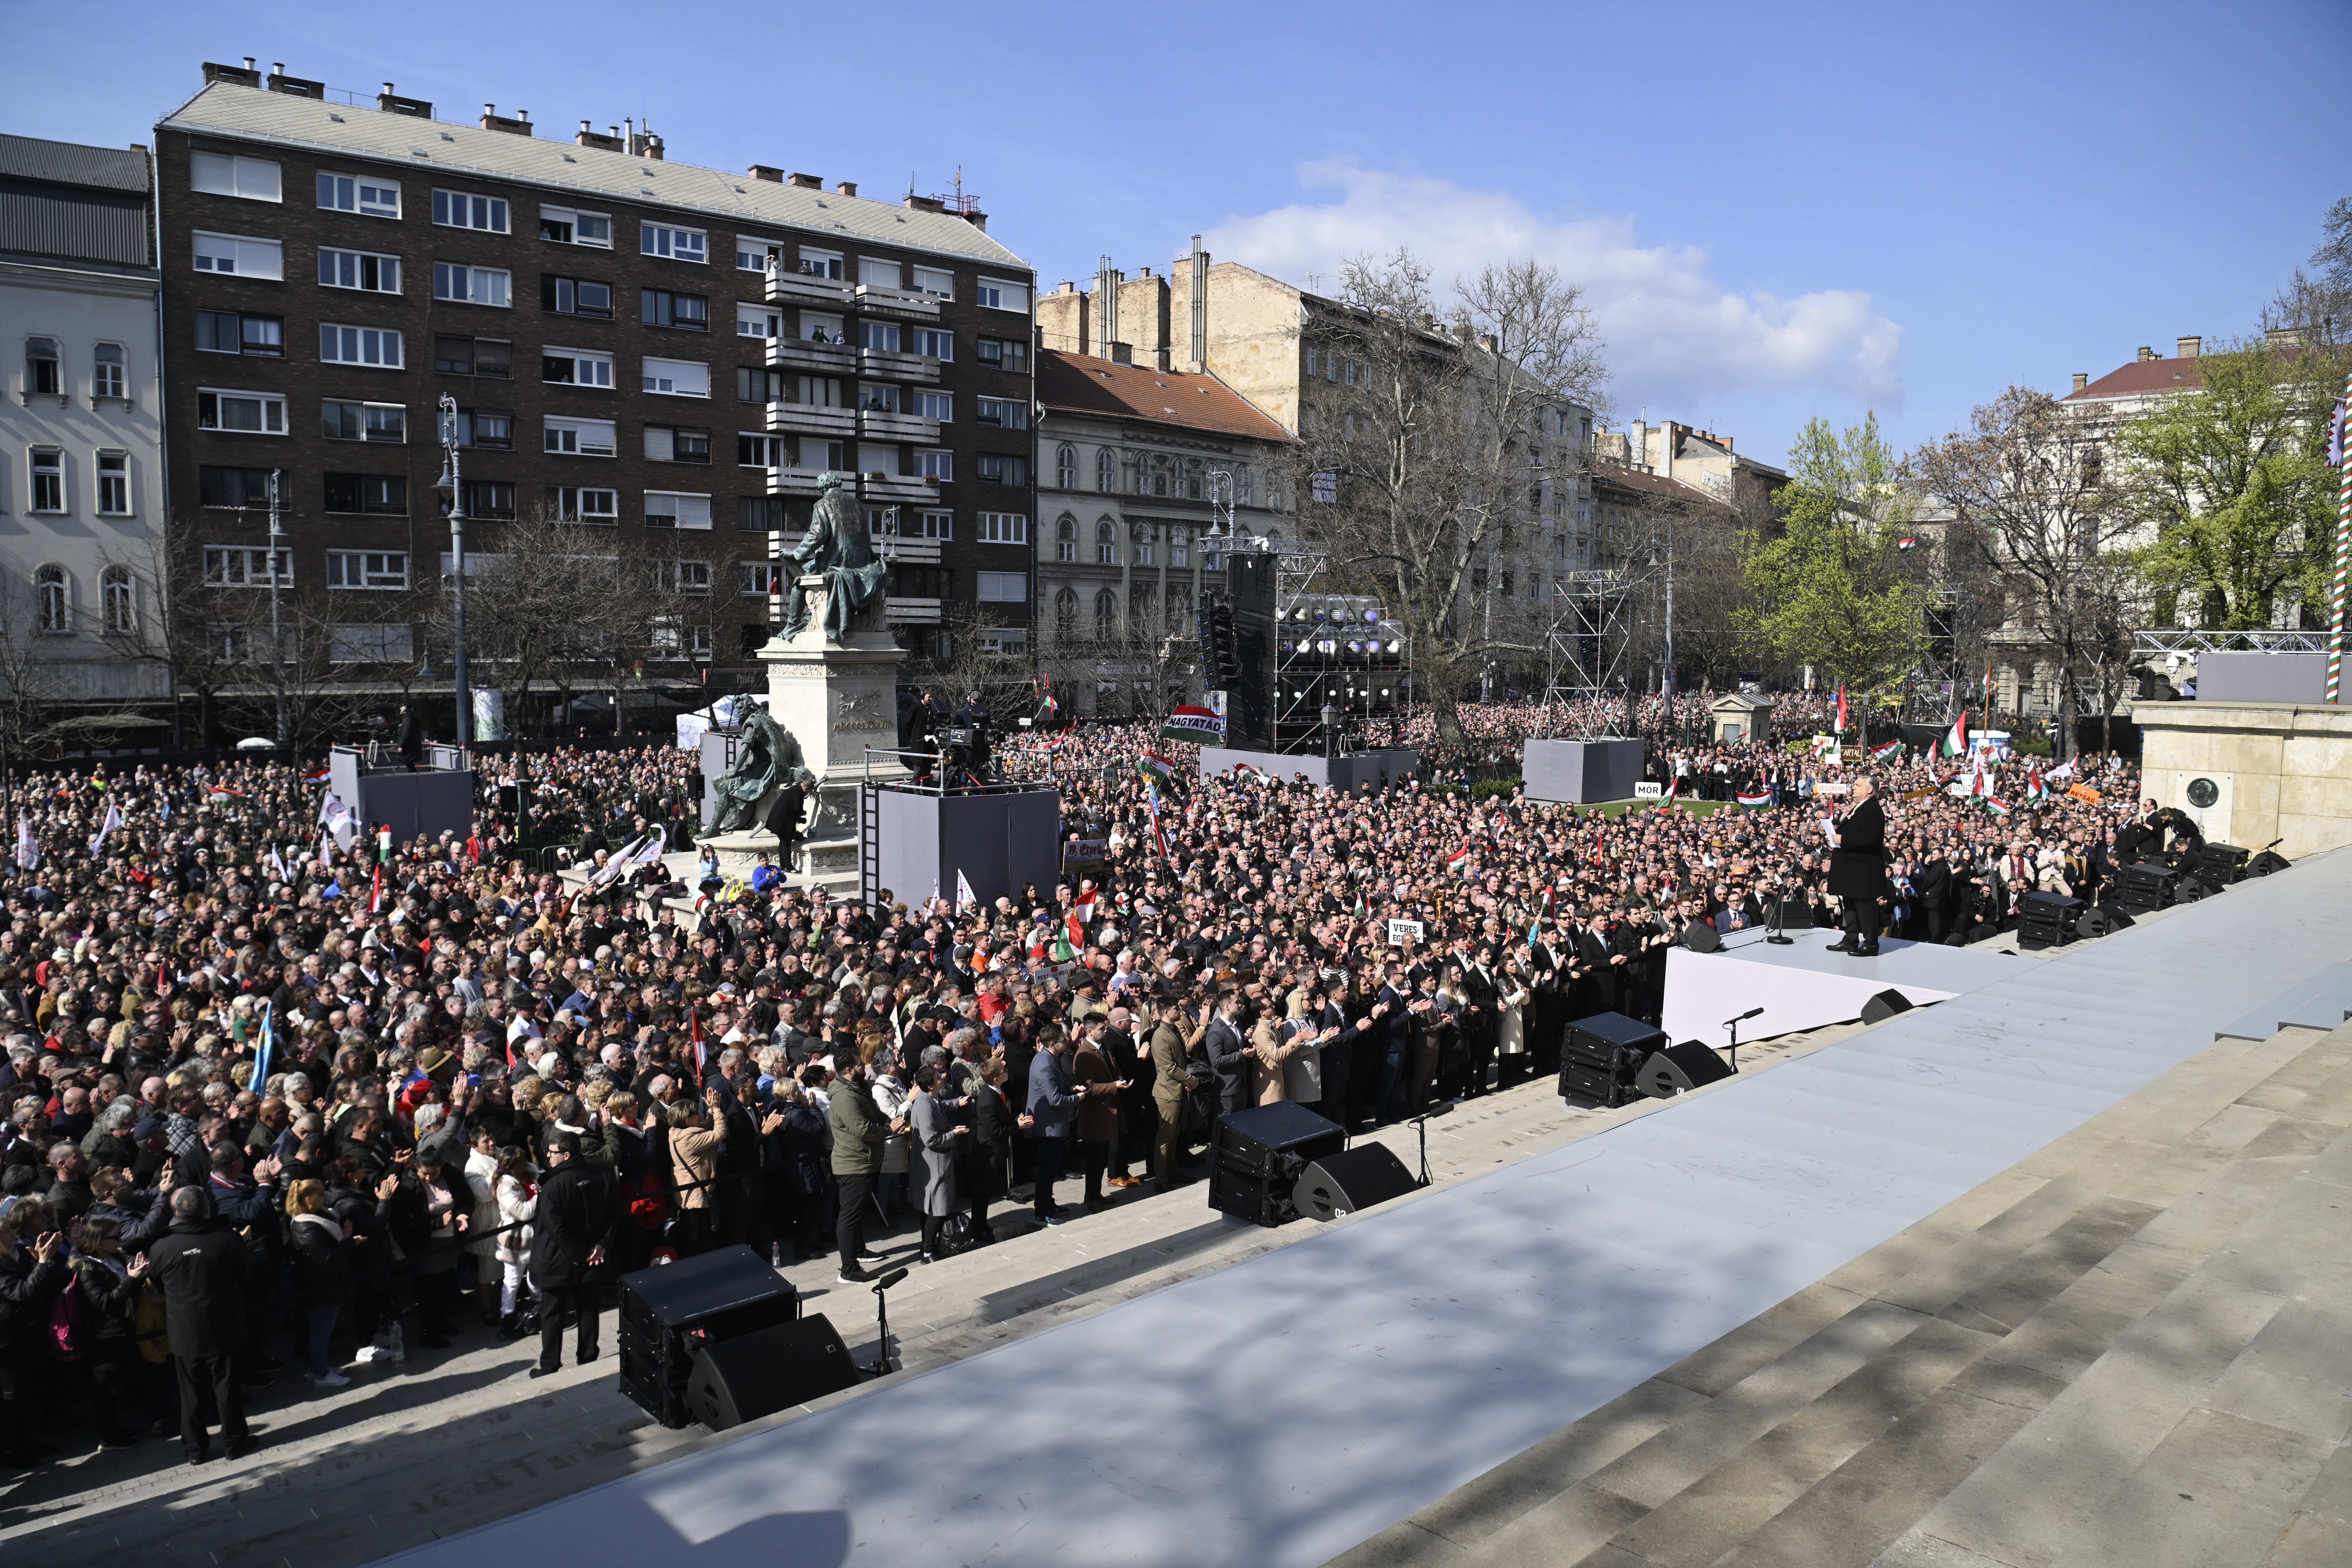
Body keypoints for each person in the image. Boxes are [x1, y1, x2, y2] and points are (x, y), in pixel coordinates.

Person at [146, 1185, 256, 1462]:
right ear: (206, 1209)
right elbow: (246, 1275)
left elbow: (157, 1286)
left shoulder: (161, 1248)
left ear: (175, 1213)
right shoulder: (227, 1239)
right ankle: (234, 1442)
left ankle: (196, 1449)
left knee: (191, 1393)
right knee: (227, 1387)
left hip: (184, 1330)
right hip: (224, 1325)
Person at [526, 1132, 613, 1379]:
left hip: (558, 1260)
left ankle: (550, 1365)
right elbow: (613, 1214)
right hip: (592, 1257)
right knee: (588, 1310)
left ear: (566, 1155)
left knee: (553, 1314)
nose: (548, 1156)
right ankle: (588, 1357)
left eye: (552, 1152)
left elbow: (557, 1229)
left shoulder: (553, 1186)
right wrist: (601, 1246)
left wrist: (582, 1254)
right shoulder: (601, 1175)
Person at [285, 1177, 354, 1388]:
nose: (325, 1198)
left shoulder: (315, 1218)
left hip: (325, 1285)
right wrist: (349, 1242)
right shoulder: (305, 1226)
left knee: (323, 1330)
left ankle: (319, 1367)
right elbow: (326, 1259)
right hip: (318, 1288)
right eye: (320, 1195)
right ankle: (321, 1374)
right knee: (321, 1331)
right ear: (308, 1200)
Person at [827, 1056, 887, 1283]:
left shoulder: (858, 1088)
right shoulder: (845, 1097)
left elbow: (873, 1114)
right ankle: (849, 1270)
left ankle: (859, 1252)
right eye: (861, 1065)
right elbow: (863, 1129)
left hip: (864, 1160)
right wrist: (888, 1130)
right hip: (853, 1164)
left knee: (858, 1212)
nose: (866, 1067)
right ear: (849, 1070)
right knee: (849, 1217)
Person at [1826, 775, 1890, 957]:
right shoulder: (1860, 807)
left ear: (1869, 789)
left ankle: (1871, 944)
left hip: (1864, 870)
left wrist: (1844, 839)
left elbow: (1870, 838)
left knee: (1865, 909)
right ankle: (1850, 939)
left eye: (1858, 785)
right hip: (1852, 868)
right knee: (1851, 907)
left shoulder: (1873, 810)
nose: (1853, 787)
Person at [906, 1065, 965, 1261]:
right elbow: (930, 1139)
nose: (943, 1077)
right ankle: (928, 1250)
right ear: (931, 1086)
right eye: (938, 1077)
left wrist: (951, 1129)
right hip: (934, 1166)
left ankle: (927, 1246)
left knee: (931, 1209)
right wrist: (953, 1134)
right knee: (938, 1210)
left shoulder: (931, 1099)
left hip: (937, 1164)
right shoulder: (924, 1105)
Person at [1024, 1025, 1078, 1224]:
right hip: (1049, 1127)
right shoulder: (1045, 1064)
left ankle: (1048, 1203)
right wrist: (1078, 1098)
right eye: (1064, 1040)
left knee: (1050, 1169)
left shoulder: (1047, 1057)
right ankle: (1042, 1212)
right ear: (1054, 1044)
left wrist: (1072, 1088)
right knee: (1047, 1172)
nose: (1068, 1041)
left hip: (1052, 1124)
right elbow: (1055, 1099)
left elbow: (1058, 1084)